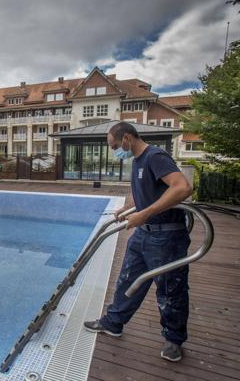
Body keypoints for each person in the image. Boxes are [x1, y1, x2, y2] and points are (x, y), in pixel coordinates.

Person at [84, 122, 193, 362]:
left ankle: (174, 340)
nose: (115, 151)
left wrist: (145, 213)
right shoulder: (138, 160)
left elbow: (183, 187)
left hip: (166, 236)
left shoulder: (155, 156)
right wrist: (128, 207)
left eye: (114, 146)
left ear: (126, 139)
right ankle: (113, 323)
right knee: (127, 279)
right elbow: (142, 191)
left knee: (170, 290)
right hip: (143, 233)